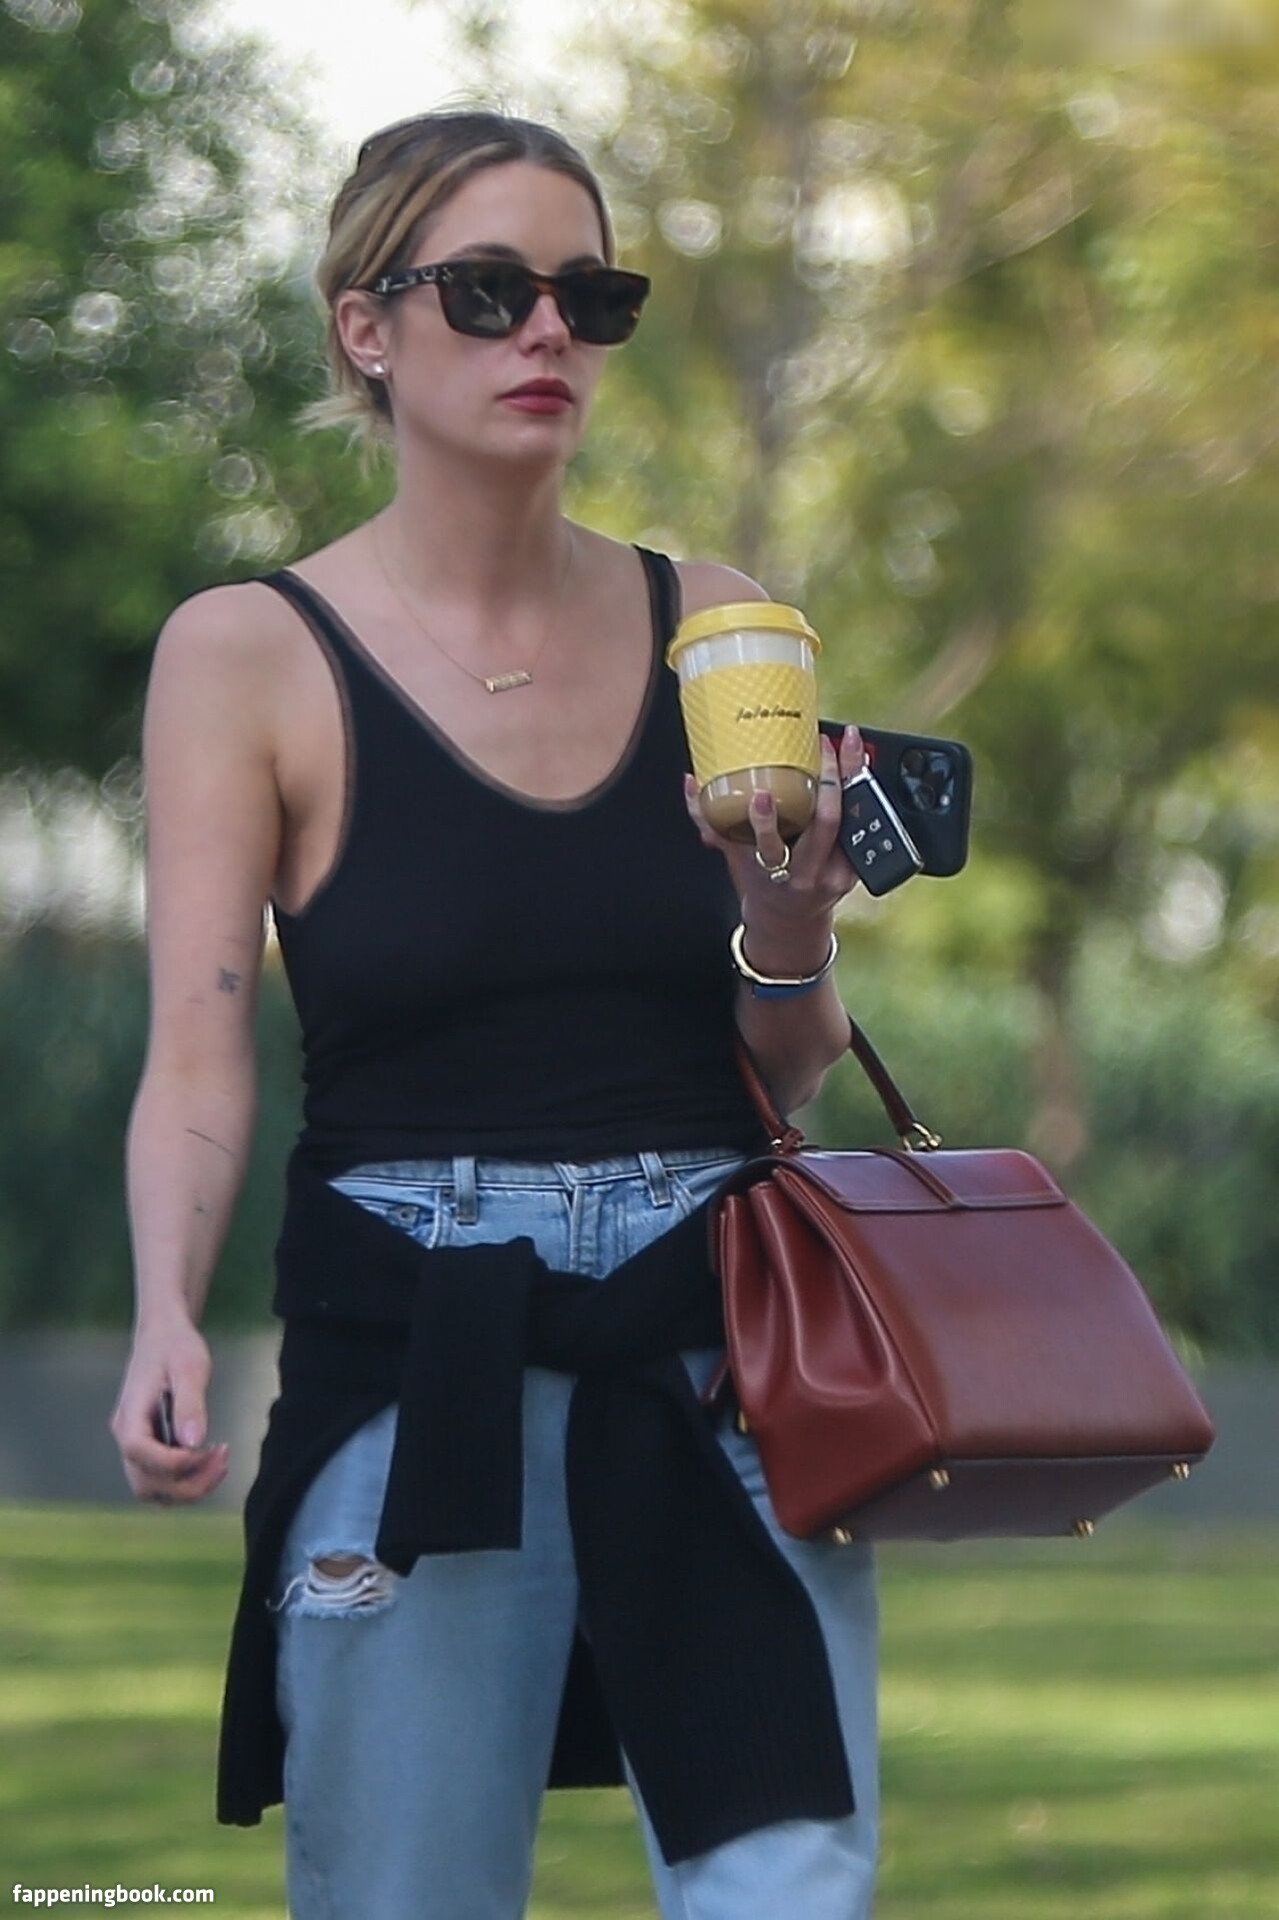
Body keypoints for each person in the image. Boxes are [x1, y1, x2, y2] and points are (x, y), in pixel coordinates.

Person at [110, 106, 877, 1918]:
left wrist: (789, 922)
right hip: (415, 1350)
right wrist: (163, 1309)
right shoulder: (246, 653)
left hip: (715, 1350)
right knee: (411, 1892)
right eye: (489, 290)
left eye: (589, 297)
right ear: (365, 325)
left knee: (793, 1891)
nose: (548, 331)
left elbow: (783, 1064)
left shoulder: (724, 625)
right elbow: (200, 1050)